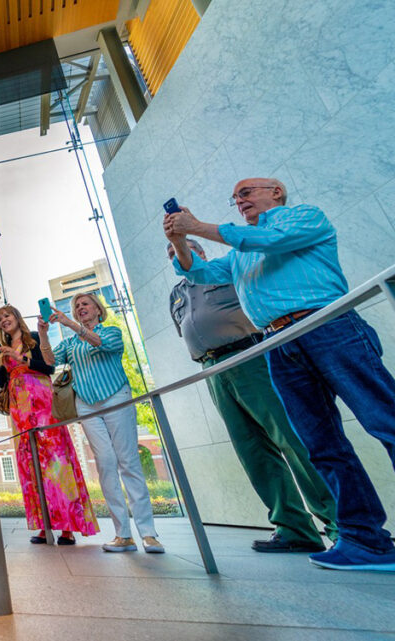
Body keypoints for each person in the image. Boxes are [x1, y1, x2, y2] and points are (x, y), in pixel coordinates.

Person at [164, 177, 395, 571]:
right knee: (322, 444)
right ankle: (367, 541)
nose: (239, 201)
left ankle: (358, 536)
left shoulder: (304, 217)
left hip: (328, 327)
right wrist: (182, 242)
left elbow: (266, 241)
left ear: (276, 192)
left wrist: (198, 227)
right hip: (279, 345)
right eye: (235, 197)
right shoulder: (240, 254)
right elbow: (202, 273)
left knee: (384, 420)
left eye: (246, 193)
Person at [167, 239, 337, 552]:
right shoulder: (176, 294)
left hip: (250, 357)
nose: (175, 255)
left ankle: (340, 525)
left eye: (181, 248)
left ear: (200, 253)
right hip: (212, 368)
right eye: (171, 253)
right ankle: (294, 529)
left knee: (290, 438)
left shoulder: (225, 272)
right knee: (253, 450)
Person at [41, 293, 164, 554]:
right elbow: (50, 361)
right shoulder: (71, 343)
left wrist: (70, 324)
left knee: (128, 461)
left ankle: (149, 533)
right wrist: (43, 334)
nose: (80, 308)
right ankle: (123, 534)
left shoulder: (111, 332)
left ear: (98, 309)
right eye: (77, 306)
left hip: (115, 397)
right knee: (106, 464)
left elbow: (101, 344)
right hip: (87, 404)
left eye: (85, 304)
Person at [0, 305, 99, 545]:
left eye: (7, 315)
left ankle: (68, 526)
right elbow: (3, 382)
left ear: (16, 316)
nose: (4, 320)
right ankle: (43, 524)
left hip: (43, 402)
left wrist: (18, 356)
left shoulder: (34, 339)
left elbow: (49, 367)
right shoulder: (3, 352)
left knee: (56, 461)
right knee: (30, 464)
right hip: (19, 407)